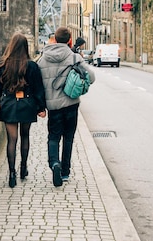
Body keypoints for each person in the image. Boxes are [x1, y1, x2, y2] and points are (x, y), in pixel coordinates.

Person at [37, 27, 96, 186]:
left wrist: (40, 106)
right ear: (70, 40)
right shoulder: (74, 57)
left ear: (54, 39)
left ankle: (54, 163)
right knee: (68, 138)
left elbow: (37, 84)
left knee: (53, 137)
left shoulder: (42, 59)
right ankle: (65, 172)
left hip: (53, 107)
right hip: (71, 104)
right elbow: (92, 77)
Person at [0, 33, 47, 188]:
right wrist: (41, 107)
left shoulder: (2, 64)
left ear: (11, 45)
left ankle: (11, 174)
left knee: (12, 140)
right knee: (25, 136)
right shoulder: (32, 66)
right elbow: (38, 89)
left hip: (9, 104)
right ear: (25, 47)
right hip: (27, 104)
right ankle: (23, 168)